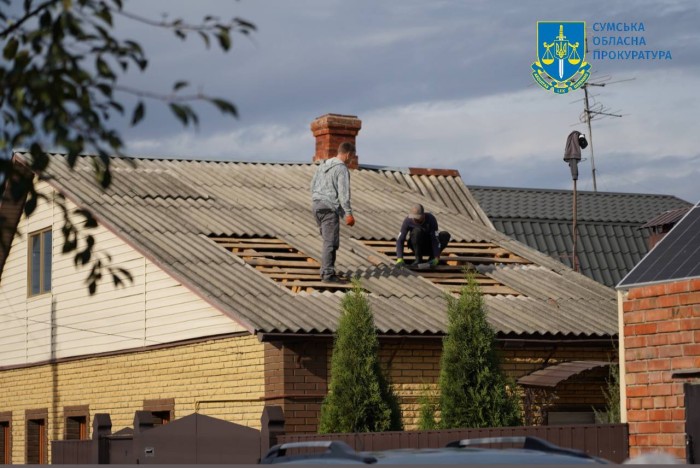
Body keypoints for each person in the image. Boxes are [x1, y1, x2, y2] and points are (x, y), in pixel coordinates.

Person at [310, 142, 356, 283]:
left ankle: (327, 270)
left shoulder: (323, 165)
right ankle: (328, 274)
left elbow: (312, 185)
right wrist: (348, 213)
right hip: (329, 208)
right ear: (348, 154)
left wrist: (318, 199)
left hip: (317, 206)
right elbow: (343, 194)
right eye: (352, 157)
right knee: (330, 242)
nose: (351, 160)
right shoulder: (341, 169)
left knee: (327, 240)